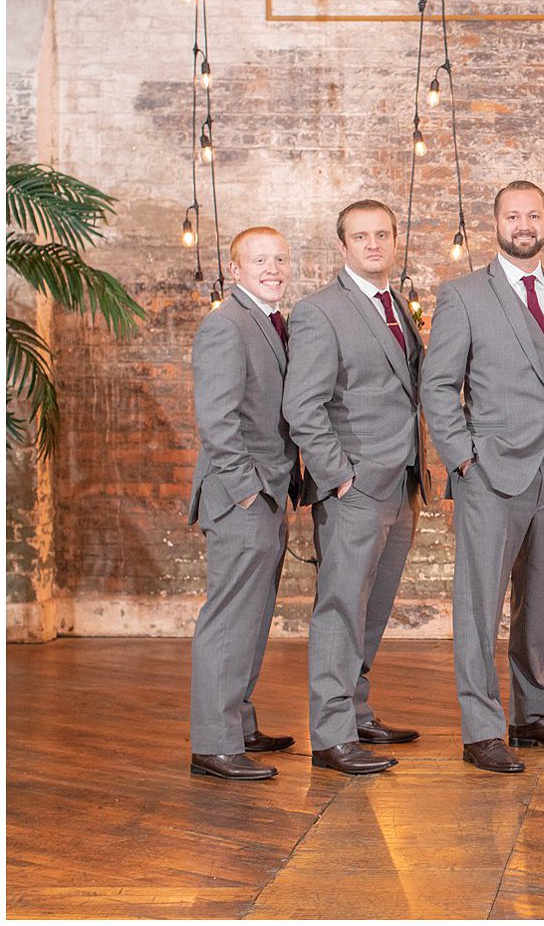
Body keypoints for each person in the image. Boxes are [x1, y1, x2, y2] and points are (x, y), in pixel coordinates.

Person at [421, 181, 544, 774]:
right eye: (513, 215)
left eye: (534, 214)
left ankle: (533, 714)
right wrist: (463, 458)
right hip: (490, 471)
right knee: (479, 604)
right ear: (495, 223)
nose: (524, 224)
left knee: (539, 600)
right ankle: (480, 729)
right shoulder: (465, 294)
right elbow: (438, 385)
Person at [284, 199, 426, 776]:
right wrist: (339, 476)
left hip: (401, 483)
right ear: (343, 246)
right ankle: (331, 735)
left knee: (373, 608)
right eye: (360, 237)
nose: (373, 245)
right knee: (340, 608)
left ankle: (357, 710)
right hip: (355, 488)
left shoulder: (396, 304)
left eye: (382, 235)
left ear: (394, 241)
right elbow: (302, 406)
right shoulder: (320, 311)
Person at [187, 227, 301, 780]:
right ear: (237, 270)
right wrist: (249, 491)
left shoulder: (274, 323)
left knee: (253, 618)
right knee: (229, 618)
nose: (273, 268)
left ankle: (239, 724)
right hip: (242, 497)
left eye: (279, 258)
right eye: (260, 260)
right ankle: (214, 744)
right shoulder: (225, 326)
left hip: (269, 491)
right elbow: (218, 423)